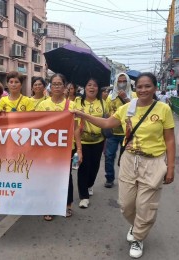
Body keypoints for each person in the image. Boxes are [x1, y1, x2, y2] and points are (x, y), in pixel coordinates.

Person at [73, 72, 175, 259]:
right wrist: (82, 115)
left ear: (155, 88)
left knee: (145, 205)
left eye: (147, 86)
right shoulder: (128, 108)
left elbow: (169, 139)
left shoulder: (163, 109)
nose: (143, 89)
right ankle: (136, 225)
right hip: (129, 159)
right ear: (135, 87)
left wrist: (171, 167)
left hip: (153, 161)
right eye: (140, 86)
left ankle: (138, 237)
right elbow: (106, 123)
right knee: (126, 204)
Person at [36, 73, 83, 221]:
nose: (57, 86)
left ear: (65, 87)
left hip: (67, 147)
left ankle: (67, 204)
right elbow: (37, 127)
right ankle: (49, 206)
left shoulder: (72, 105)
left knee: (65, 177)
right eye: (54, 83)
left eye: (59, 84)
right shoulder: (43, 105)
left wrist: (80, 150)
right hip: (48, 148)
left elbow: (76, 129)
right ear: (51, 86)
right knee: (48, 177)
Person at [75, 78, 105, 208]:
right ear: (84, 87)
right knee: (83, 167)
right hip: (83, 140)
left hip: (99, 140)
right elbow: (74, 124)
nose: (92, 87)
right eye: (89, 85)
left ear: (98, 89)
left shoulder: (103, 103)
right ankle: (83, 196)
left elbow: (109, 119)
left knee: (94, 167)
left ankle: (89, 185)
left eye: (95, 85)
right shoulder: (77, 102)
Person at [104, 73, 137, 188]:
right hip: (113, 133)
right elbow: (107, 113)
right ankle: (109, 178)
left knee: (126, 158)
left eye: (124, 81)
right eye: (119, 81)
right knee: (109, 156)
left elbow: (137, 111)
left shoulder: (134, 95)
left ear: (128, 82)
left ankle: (127, 178)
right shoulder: (110, 97)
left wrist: (126, 99)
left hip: (127, 133)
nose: (121, 83)